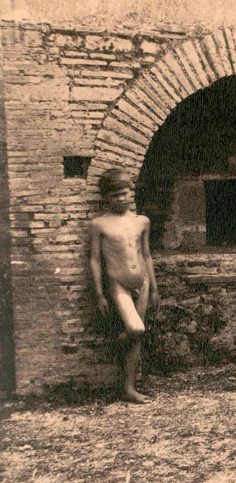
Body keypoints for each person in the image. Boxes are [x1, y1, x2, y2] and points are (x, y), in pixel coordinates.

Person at [88, 168, 159, 404]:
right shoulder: (100, 224)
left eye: (125, 193)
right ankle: (116, 341)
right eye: (114, 194)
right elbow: (95, 259)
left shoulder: (142, 221)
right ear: (106, 198)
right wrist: (99, 294)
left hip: (143, 282)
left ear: (132, 193)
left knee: (137, 337)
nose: (120, 198)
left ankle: (129, 388)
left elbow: (147, 255)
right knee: (136, 330)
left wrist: (155, 287)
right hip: (118, 284)